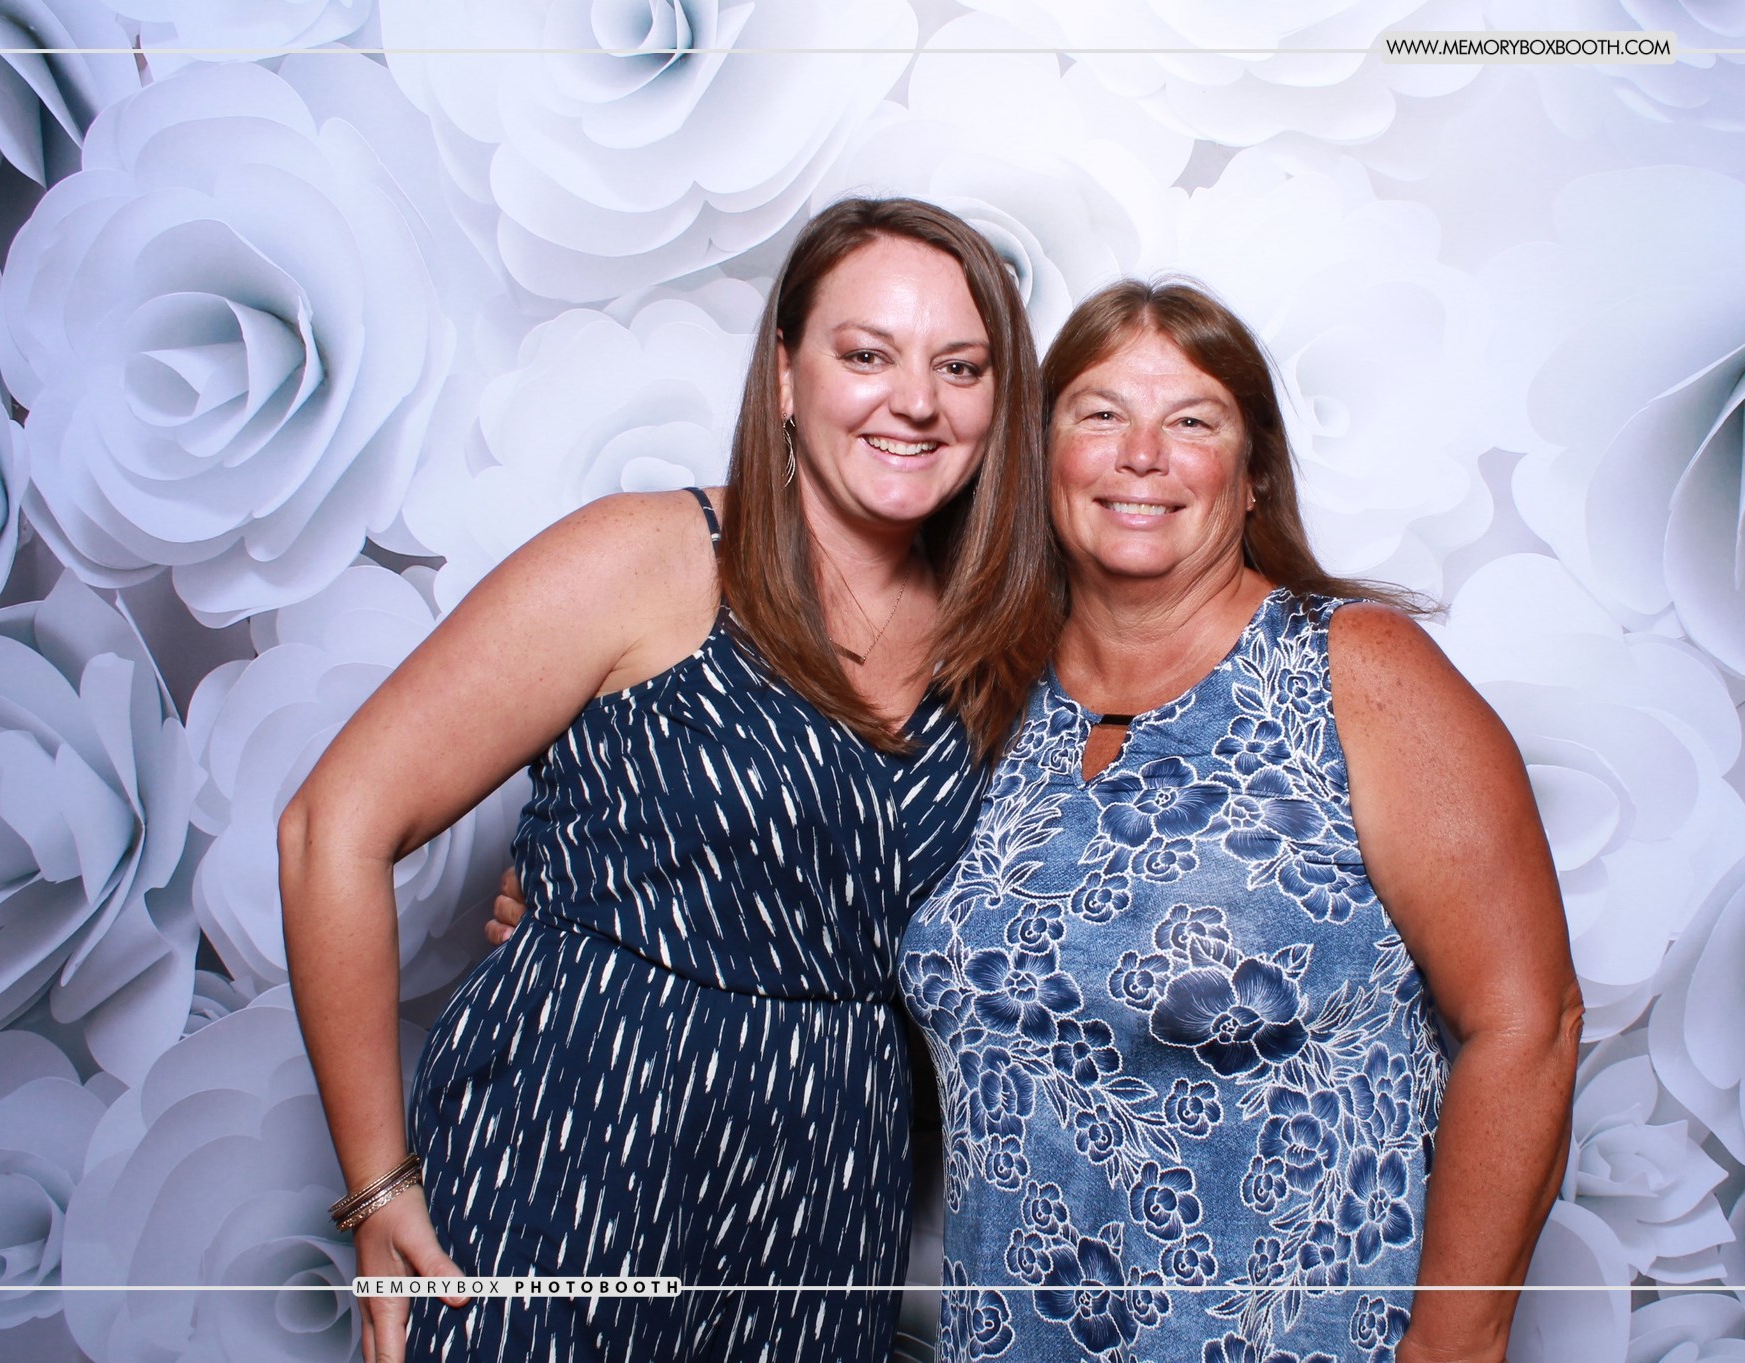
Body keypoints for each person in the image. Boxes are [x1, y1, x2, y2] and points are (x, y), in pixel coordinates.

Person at [278, 196, 1058, 1363]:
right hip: (574, 1154)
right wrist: (377, 1185)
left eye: (959, 366)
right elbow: (330, 825)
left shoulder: (999, 643)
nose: (915, 400)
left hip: (824, 1207)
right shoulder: (650, 559)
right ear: (784, 375)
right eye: (866, 355)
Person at [896, 279, 1582, 1363]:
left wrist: (1454, 1345)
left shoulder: (1353, 671)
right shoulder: (980, 701)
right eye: (1101, 413)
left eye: (1192, 421)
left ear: (1253, 472)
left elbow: (1526, 1020)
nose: (1141, 455)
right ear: (1040, 456)